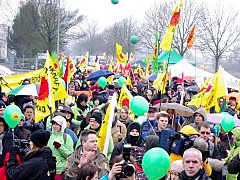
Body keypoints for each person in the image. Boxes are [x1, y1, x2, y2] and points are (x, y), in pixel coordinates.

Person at [48, 115, 74, 180]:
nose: (54, 126)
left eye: (57, 124)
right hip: (49, 169)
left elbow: (70, 155)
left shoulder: (67, 137)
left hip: (61, 170)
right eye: (53, 124)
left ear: (62, 126)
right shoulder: (49, 136)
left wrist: (60, 147)